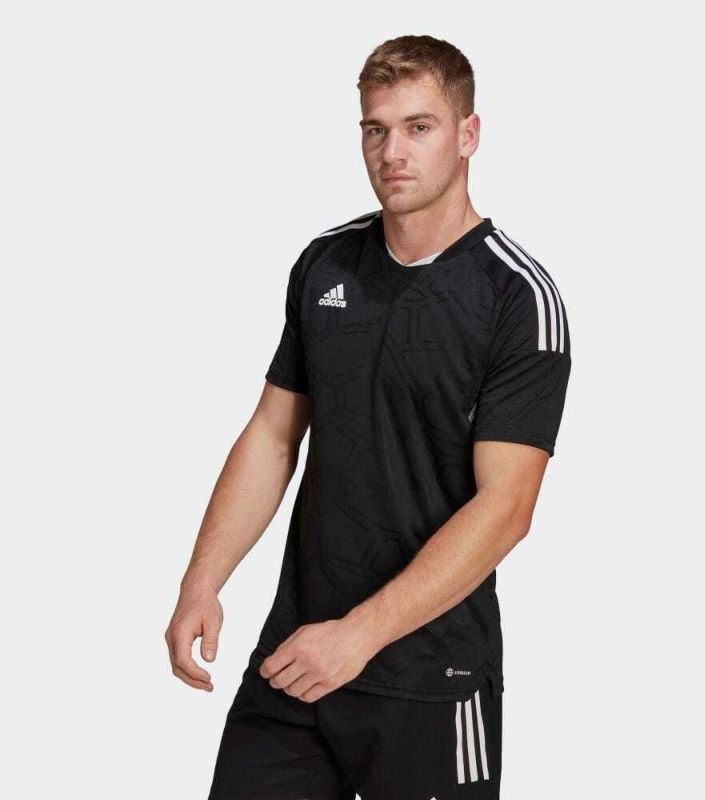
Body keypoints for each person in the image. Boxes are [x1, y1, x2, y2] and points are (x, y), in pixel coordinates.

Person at [165, 34, 572, 800]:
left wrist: (358, 638)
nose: (393, 152)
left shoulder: (517, 298)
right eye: (375, 129)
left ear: (468, 135)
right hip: (296, 661)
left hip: (430, 676)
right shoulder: (326, 263)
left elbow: (507, 508)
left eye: (419, 127)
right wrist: (202, 580)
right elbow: (272, 435)